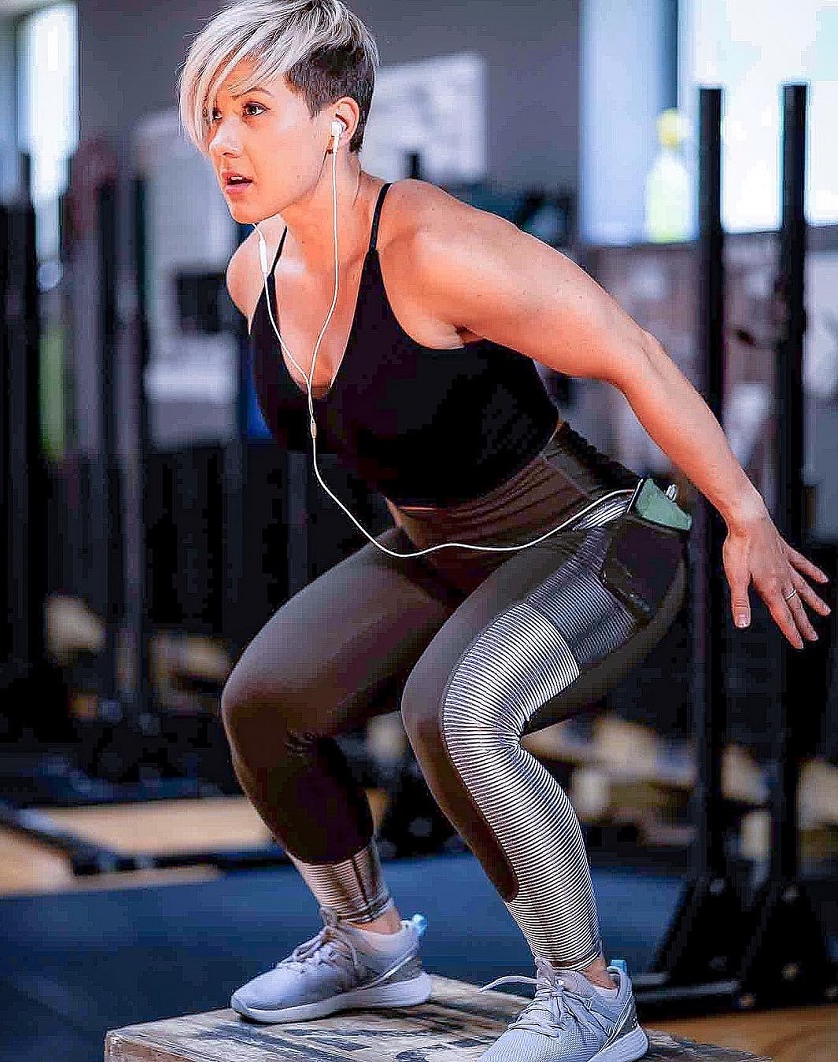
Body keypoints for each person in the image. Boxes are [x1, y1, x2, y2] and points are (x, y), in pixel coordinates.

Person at [177, 2, 831, 1059]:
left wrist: (744, 513)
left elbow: (632, 353)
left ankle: (586, 997)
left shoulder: (440, 248)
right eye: (212, 112)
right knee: (263, 702)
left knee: (457, 713)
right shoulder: (256, 271)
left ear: (336, 123)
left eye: (253, 109)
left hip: (598, 535)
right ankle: (367, 943)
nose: (222, 139)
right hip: (438, 549)